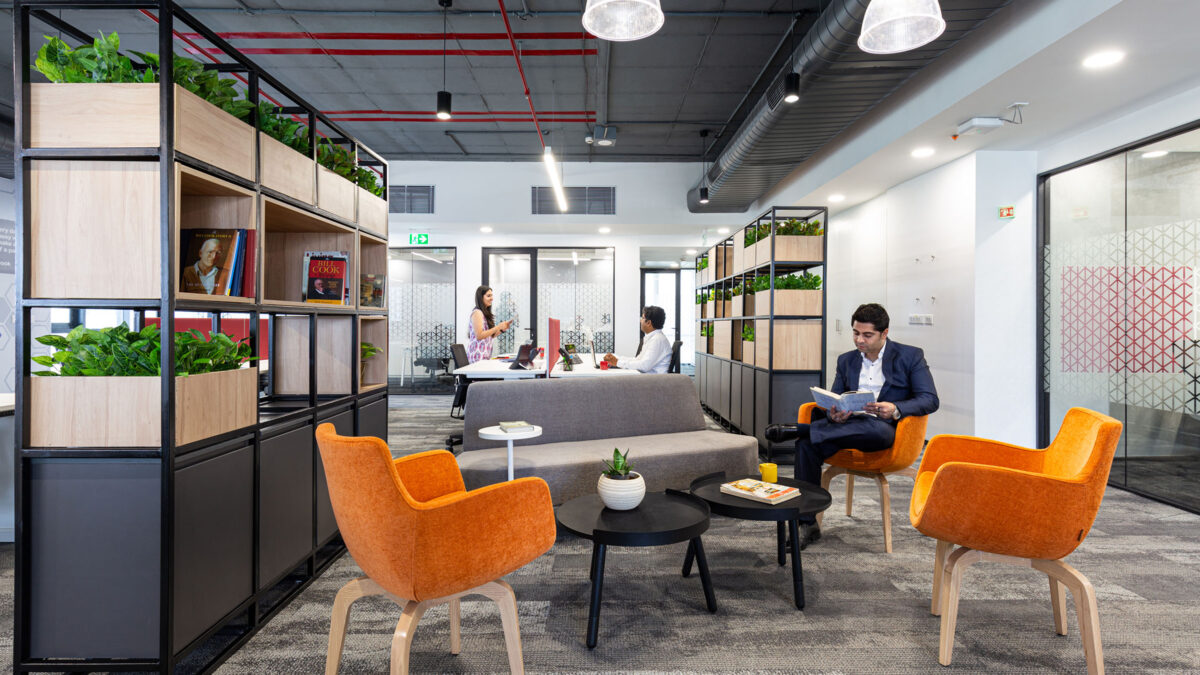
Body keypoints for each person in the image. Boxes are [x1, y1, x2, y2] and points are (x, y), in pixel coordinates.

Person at [766, 303, 938, 549]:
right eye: (856, 333)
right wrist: (835, 412)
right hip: (849, 425)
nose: (860, 340)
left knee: (872, 429)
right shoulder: (846, 360)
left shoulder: (910, 356)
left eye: (867, 335)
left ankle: (802, 429)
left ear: (884, 333)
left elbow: (930, 399)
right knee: (806, 446)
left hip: (884, 429)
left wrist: (895, 408)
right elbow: (835, 397)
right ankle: (807, 524)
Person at [603, 305, 672, 373]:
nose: (640, 321)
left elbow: (644, 366)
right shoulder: (654, 338)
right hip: (647, 377)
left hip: (652, 381)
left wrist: (617, 362)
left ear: (648, 323)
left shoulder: (657, 340)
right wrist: (617, 359)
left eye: (642, 318)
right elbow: (638, 360)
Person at [467, 285, 512, 363]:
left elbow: (490, 336)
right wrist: (498, 327)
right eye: (488, 296)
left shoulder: (484, 313)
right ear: (481, 298)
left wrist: (502, 329)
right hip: (477, 358)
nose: (492, 298)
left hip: (484, 357)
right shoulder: (477, 313)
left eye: (492, 295)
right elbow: (479, 336)